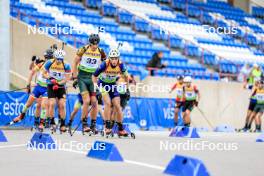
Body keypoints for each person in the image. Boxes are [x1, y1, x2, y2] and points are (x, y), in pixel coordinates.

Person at [8, 49, 54, 131]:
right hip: (38, 87)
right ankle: (21, 116)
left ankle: (41, 123)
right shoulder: (41, 64)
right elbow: (31, 73)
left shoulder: (54, 67)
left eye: (49, 58)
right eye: (46, 57)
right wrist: (28, 85)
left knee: (43, 105)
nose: (47, 59)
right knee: (28, 103)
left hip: (47, 88)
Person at [72, 34, 106, 133]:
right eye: (92, 44)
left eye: (96, 44)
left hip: (93, 78)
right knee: (86, 101)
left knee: (95, 102)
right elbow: (75, 62)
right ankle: (84, 124)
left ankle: (93, 125)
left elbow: (105, 64)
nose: (94, 46)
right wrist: (74, 77)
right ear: (89, 43)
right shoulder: (83, 49)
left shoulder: (101, 51)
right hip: (82, 77)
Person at [92, 48, 130, 136]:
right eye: (112, 58)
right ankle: (107, 126)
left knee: (118, 106)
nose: (114, 60)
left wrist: (127, 89)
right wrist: (96, 88)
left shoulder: (121, 65)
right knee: (108, 103)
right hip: (102, 84)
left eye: (115, 58)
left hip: (112, 85)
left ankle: (120, 129)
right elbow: (94, 76)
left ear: (118, 58)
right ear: (109, 58)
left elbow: (127, 77)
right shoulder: (104, 64)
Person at [43, 49, 71, 133]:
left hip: (61, 87)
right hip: (51, 85)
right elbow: (43, 74)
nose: (59, 61)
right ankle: (52, 122)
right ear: (55, 57)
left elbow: (67, 78)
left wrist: (58, 83)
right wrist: (50, 78)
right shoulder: (49, 62)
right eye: (57, 59)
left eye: (60, 59)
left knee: (62, 105)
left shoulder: (66, 65)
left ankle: (62, 124)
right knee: (52, 104)